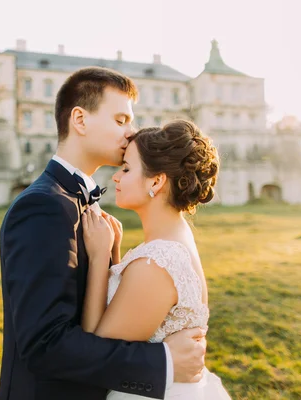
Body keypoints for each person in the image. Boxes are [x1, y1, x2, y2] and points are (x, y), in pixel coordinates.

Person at [0, 67, 207, 400]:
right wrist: (164, 362)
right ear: (80, 120)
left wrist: (109, 258)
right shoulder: (42, 207)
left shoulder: (83, 203)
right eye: (121, 120)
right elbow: (43, 346)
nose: (131, 131)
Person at [81, 120, 232, 399]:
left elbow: (95, 354)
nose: (116, 177)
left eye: (126, 168)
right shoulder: (176, 236)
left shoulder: (157, 263)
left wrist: (98, 258)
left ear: (156, 181)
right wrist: (115, 254)